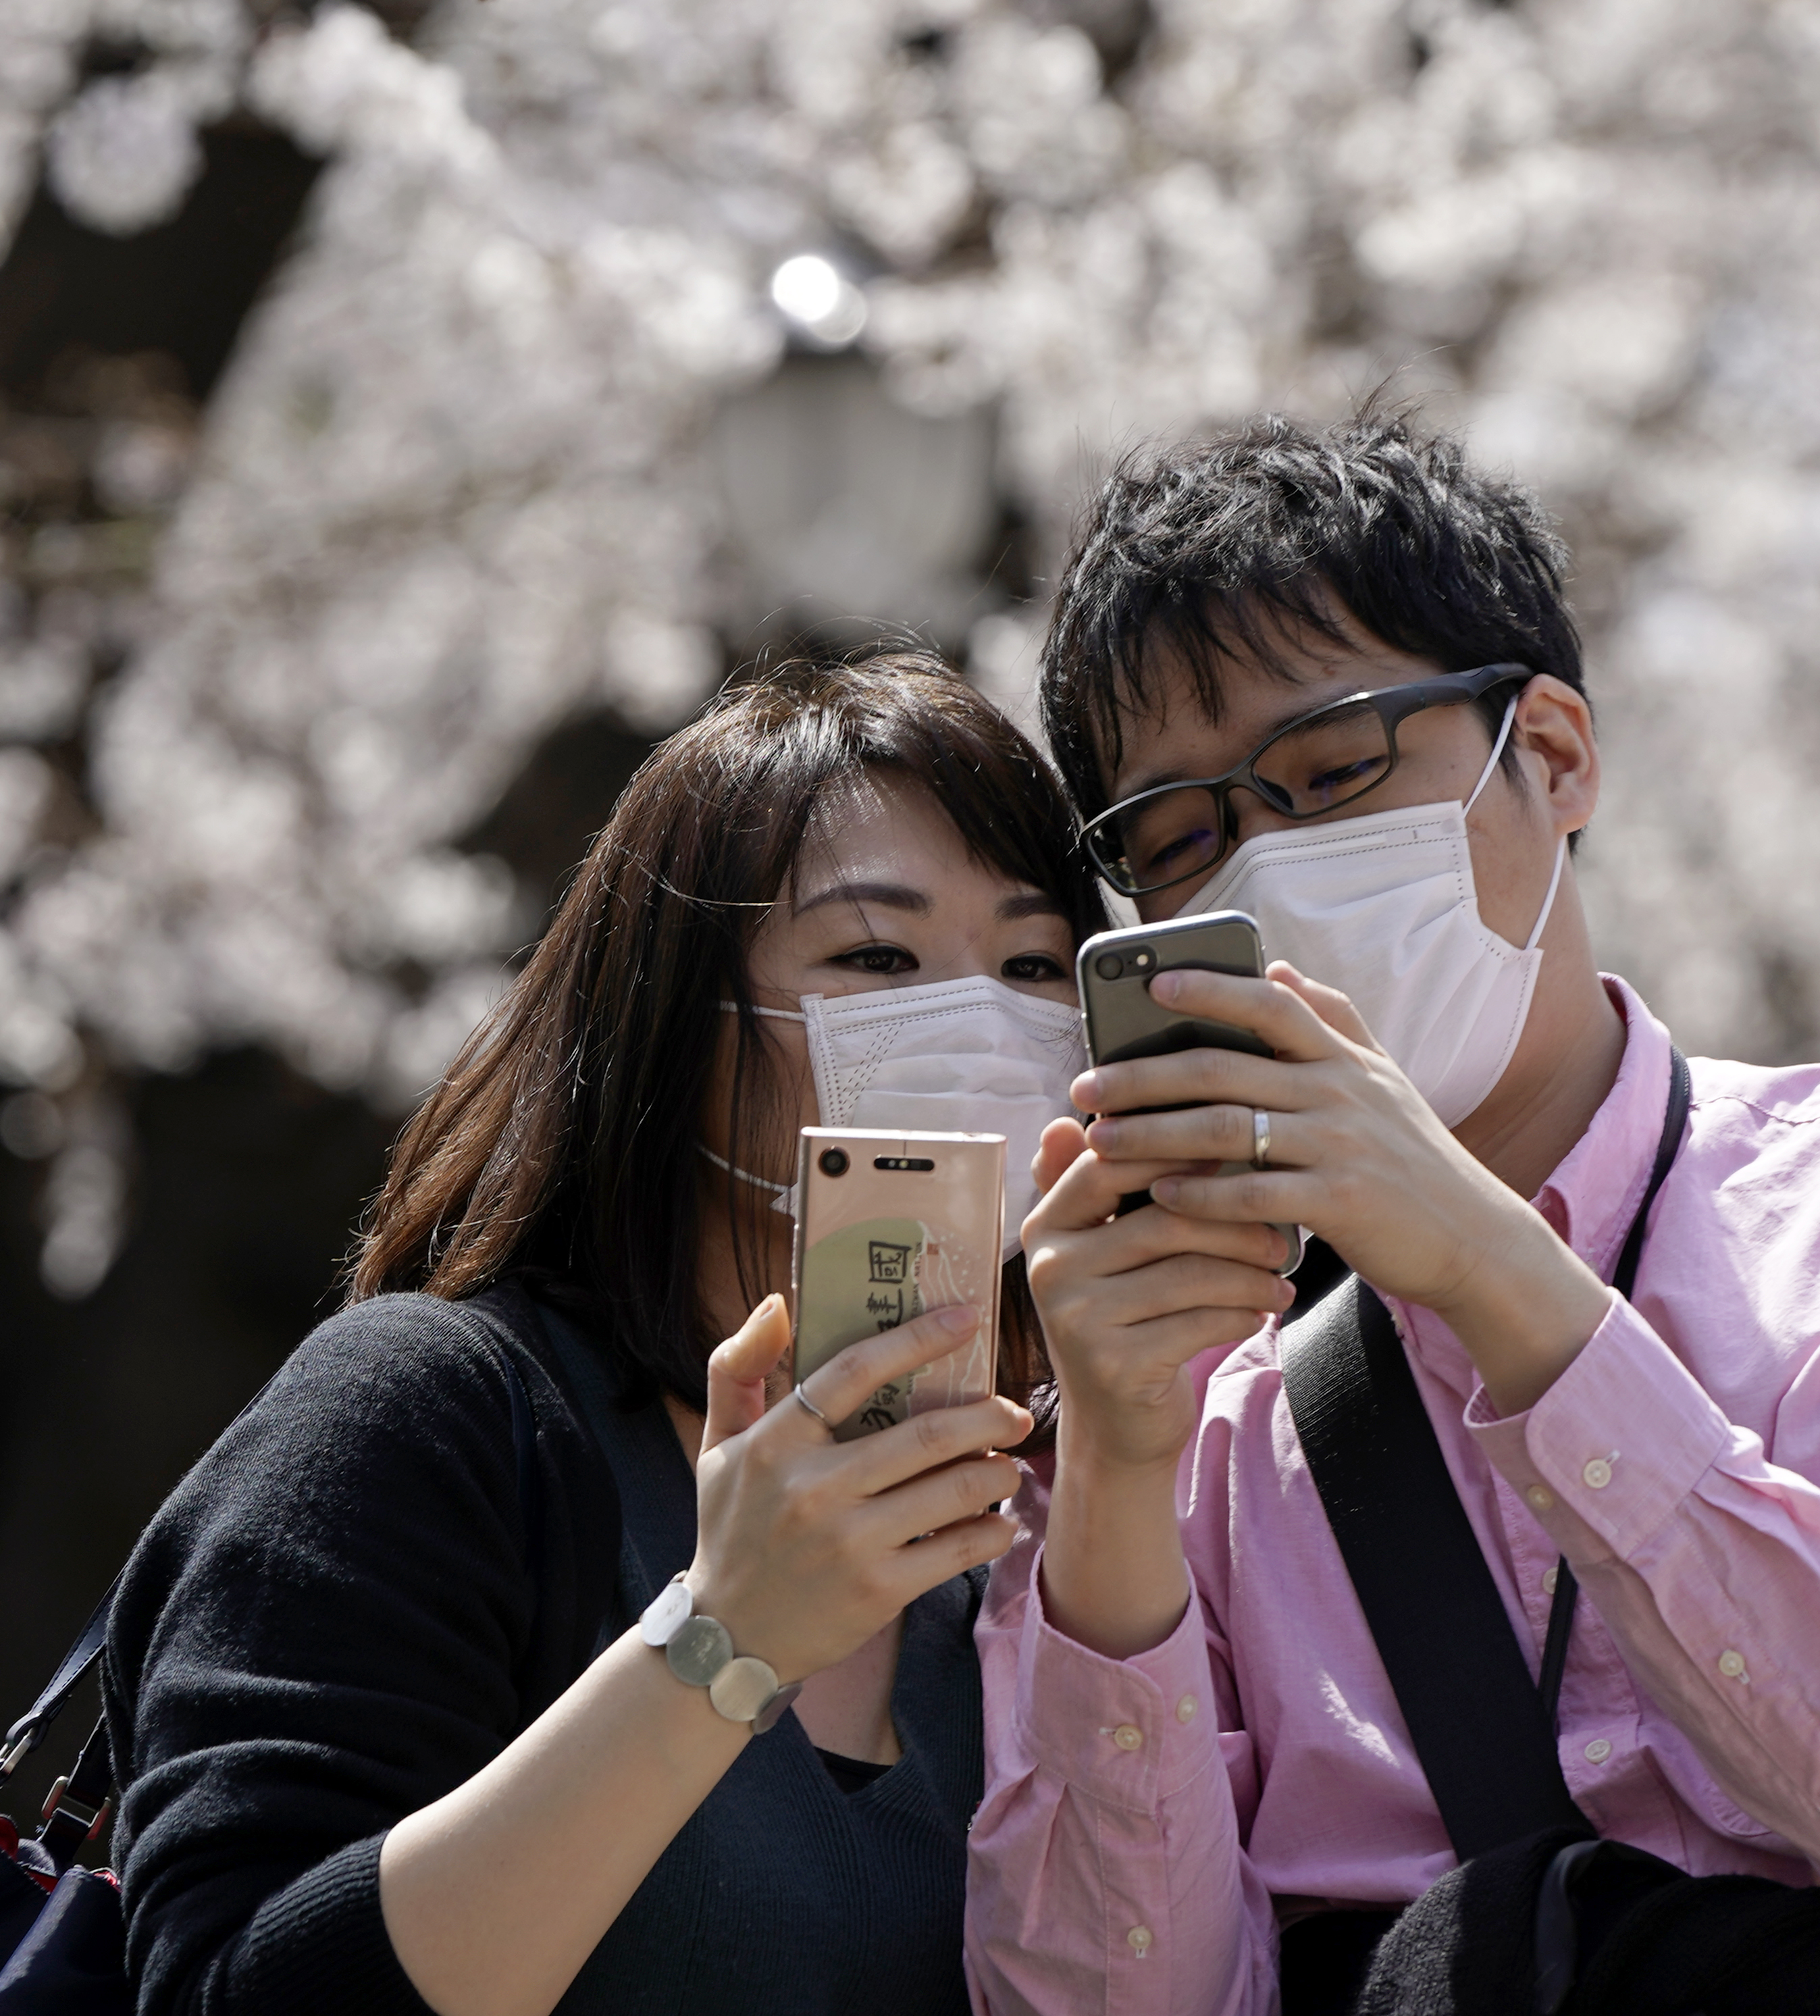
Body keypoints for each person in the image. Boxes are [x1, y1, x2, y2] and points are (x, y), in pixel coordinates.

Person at [968, 416, 1820, 2015]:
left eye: (1333, 771)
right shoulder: (1194, 1421)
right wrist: (1116, 1483)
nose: (1270, 869)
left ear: (1553, 751)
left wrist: (1484, 1263)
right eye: (1184, 838)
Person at [111, 649, 1109, 2016]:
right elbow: (230, 1987)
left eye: (1034, 962)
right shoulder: (432, 1413)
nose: (981, 1020)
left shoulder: (1038, 1523)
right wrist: (724, 1637)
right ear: (675, 1022)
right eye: (877, 953)